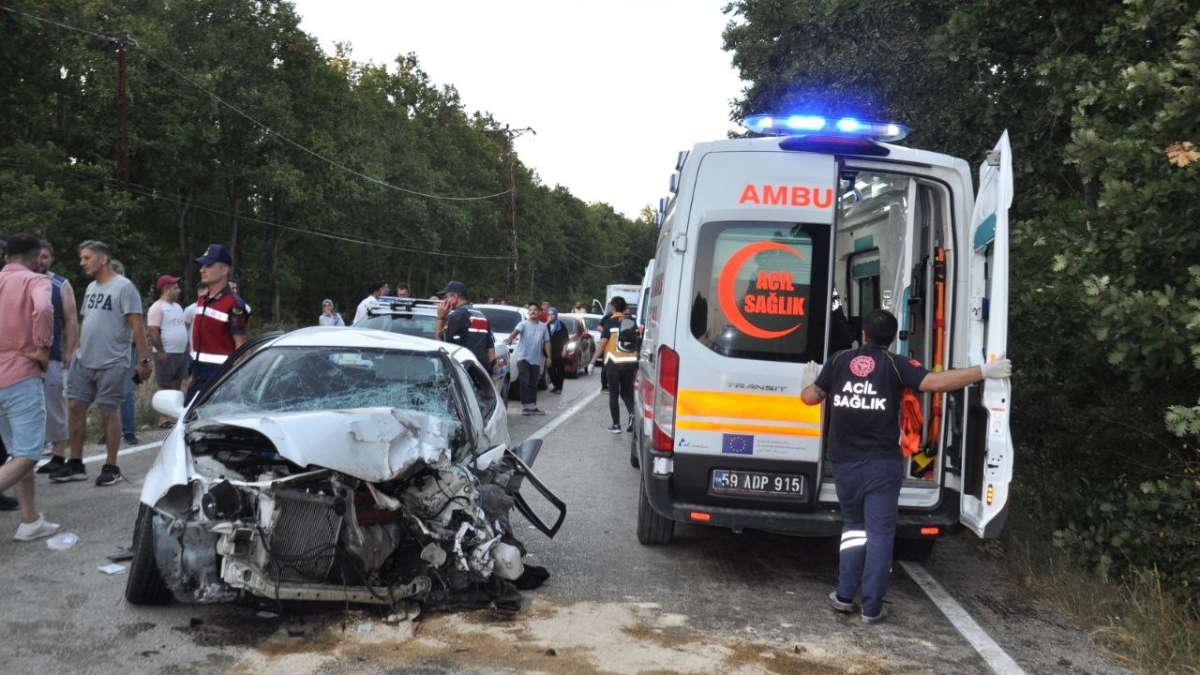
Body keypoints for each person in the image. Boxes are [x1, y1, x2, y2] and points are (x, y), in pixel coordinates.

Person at [800, 308, 1011, 623]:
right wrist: (984, 370)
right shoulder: (895, 365)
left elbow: (809, 398)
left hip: (844, 464)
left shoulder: (839, 361)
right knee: (881, 534)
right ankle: (871, 609)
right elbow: (937, 383)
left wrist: (810, 383)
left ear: (863, 335)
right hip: (881, 466)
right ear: (892, 338)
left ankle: (844, 596)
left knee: (854, 528)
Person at [50, 242, 150, 487]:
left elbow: (137, 326)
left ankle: (111, 467)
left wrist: (143, 361)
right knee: (74, 406)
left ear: (103, 259)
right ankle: (75, 463)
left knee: (108, 411)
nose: (82, 262)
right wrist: (75, 350)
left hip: (113, 361)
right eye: (81, 258)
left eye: (86, 258)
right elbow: (89, 322)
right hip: (85, 360)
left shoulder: (124, 287)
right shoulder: (92, 287)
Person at [0, 233, 61, 539]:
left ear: (6, 256)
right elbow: (44, 310)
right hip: (21, 375)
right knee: (30, 453)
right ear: (38, 258)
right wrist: (42, 346)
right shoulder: (36, 281)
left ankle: (30, 520)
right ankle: (29, 520)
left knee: (16, 452)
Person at [33, 241, 79, 477]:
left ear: (51, 258)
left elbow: (71, 320)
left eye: (46, 256)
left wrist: (70, 351)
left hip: (52, 355)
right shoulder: (20, 281)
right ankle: (27, 455)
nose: (41, 261)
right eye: (38, 256)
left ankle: (58, 453)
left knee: (53, 405)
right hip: (22, 356)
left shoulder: (60, 284)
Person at [187, 244, 249, 403]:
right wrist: (193, 374)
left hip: (220, 381)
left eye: (208, 265)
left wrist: (231, 382)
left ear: (224, 271)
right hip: (198, 378)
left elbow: (240, 348)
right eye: (202, 265)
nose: (202, 270)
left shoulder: (234, 304)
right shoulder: (202, 300)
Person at [147, 275, 188, 427]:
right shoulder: (157, 307)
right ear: (166, 289)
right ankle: (163, 417)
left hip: (180, 352)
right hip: (166, 352)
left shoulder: (177, 307)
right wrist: (161, 351)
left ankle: (174, 415)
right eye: (175, 288)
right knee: (165, 384)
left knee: (177, 383)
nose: (178, 290)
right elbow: (153, 331)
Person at [594, 296, 638, 433]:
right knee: (626, 393)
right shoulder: (631, 321)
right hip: (630, 363)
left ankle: (616, 425)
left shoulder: (609, 322)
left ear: (612, 307)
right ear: (624, 308)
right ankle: (632, 415)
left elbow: (602, 344)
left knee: (613, 394)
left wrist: (592, 361)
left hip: (614, 362)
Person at [435, 281, 494, 369]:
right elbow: (491, 350)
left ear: (454, 297)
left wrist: (440, 317)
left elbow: (439, 343)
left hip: (464, 372)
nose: (444, 300)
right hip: (481, 372)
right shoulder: (481, 315)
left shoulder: (457, 316)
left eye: (446, 297)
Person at [504, 302, 550, 416]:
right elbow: (516, 332)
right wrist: (510, 338)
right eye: (530, 309)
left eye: (535, 309)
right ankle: (526, 406)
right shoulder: (523, 324)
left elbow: (547, 342)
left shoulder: (543, 327)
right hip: (523, 357)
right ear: (528, 312)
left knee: (534, 383)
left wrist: (549, 357)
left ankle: (532, 406)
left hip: (536, 359)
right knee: (525, 381)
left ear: (539, 312)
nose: (533, 311)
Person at [545, 308, 569, 394]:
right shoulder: (546, 325)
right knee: (550, 370)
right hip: (549, 352)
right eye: (549, 314)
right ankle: (555, 385)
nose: (551, 316)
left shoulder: (561, 325)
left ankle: (559, 388)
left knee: (560, 371)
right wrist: (547, 322)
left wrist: (564, 350)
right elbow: (540, 333)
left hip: (560, 351)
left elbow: (566, 338)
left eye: (553, 314)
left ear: (556, 315)